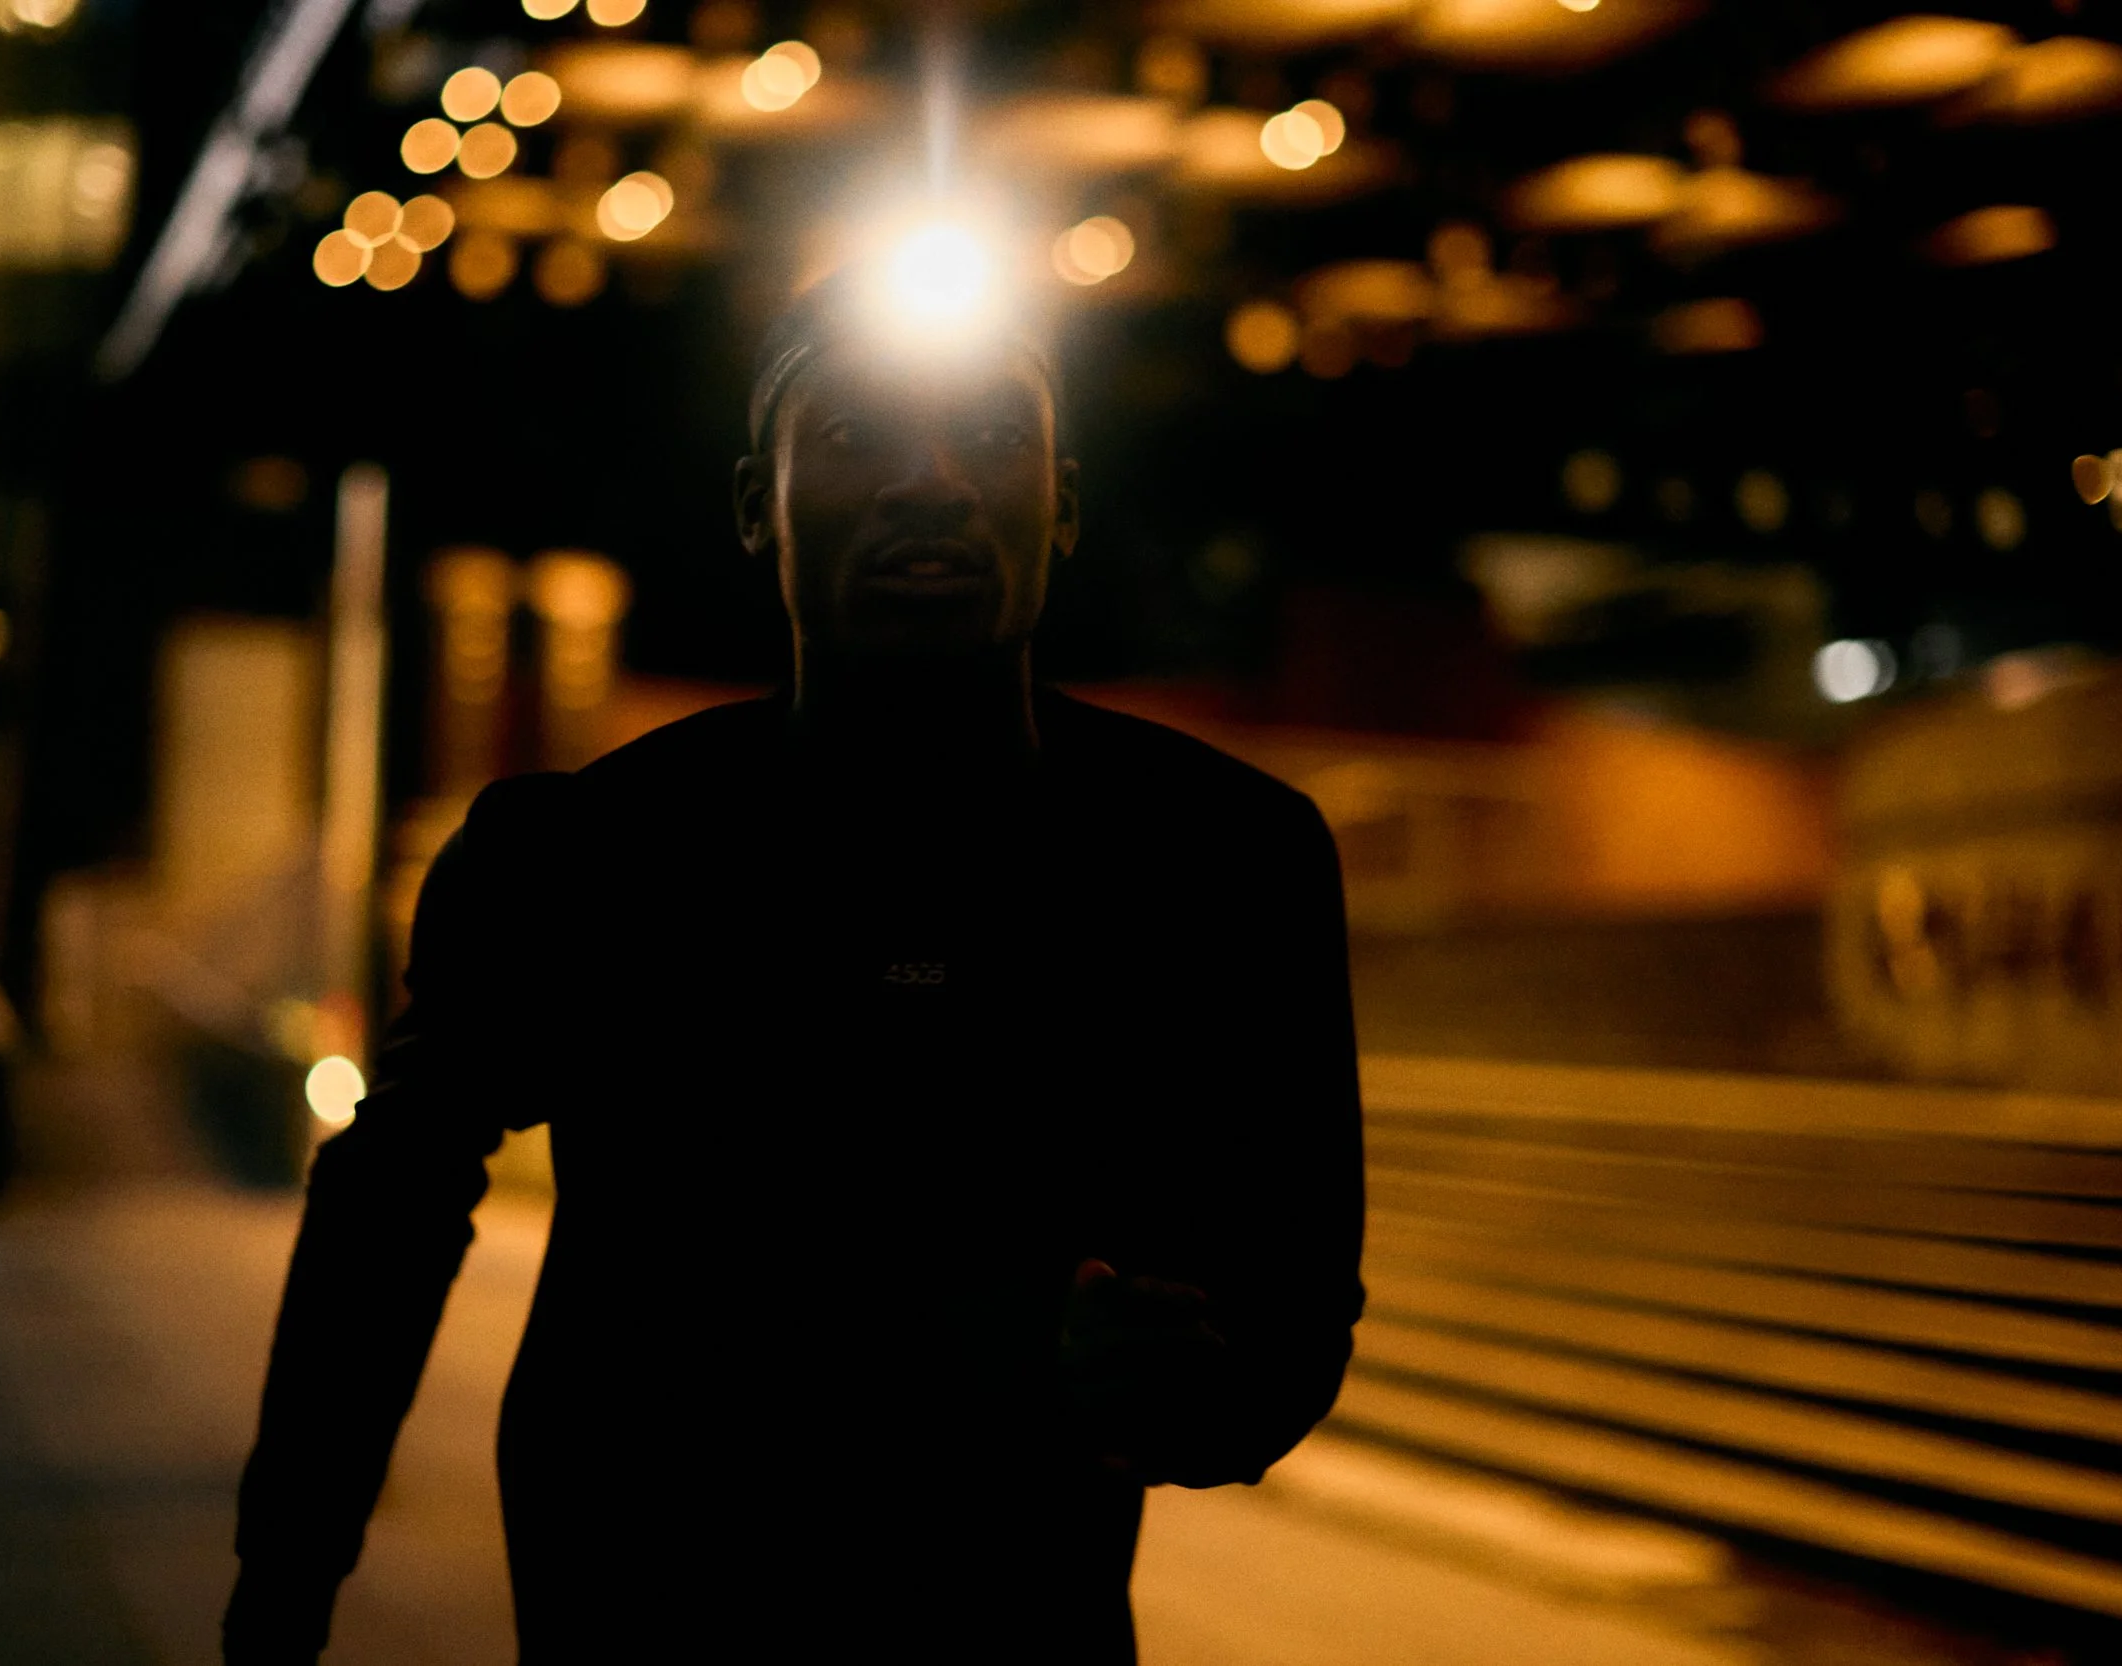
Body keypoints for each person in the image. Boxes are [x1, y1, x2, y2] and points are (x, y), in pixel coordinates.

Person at [223, 251, 1365, 1665]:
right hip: (644, 1605)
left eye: (998, 435)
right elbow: (387, 1212)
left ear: (1062, 506)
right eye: (850, 437)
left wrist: (1206, 1391)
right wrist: (283, 1582)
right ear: (753, 513)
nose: (932, 480)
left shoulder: (1215, 862)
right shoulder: (589, 856)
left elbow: (1297, 1274)